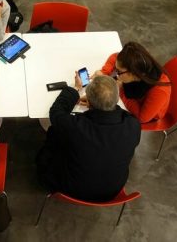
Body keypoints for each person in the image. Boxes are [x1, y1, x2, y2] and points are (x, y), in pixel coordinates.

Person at [36, 74, 141, 202]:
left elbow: (56, 112)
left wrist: (75, 89)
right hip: (111, 191)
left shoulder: (76, 127)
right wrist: (100, 105)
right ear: (117, 98)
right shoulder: (133, 126)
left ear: (89, 102)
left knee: (54, 133)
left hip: (72, 189)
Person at [88, 42, 171, 123]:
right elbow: (116, 57)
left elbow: (142, 118)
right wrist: (104, 72)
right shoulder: (138, 65)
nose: (116, 74)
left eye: (119, 71)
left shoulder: (159, 91)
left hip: (146, 114)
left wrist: (119, 90)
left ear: (134, 73)